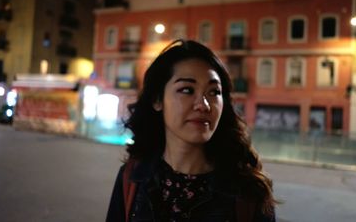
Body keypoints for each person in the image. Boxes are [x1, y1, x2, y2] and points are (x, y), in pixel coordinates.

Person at [106, 39, 276, 221]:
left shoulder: (249, 192)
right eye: (187, 90)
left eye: (214, 92)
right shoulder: (132, 178)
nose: (203, 105)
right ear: (157, 100)